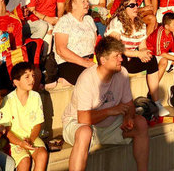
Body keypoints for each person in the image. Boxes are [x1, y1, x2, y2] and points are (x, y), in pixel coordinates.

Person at [60, 36, 149, 171]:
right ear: (103, 60)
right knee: (85, 132)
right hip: (77, 124)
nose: (121, 59)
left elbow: (129, 104)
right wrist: (110, 111)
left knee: (140, 123)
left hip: (110, 126)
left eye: (120, 55)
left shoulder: (122, 73)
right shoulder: (87, 78)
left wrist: (128, 118)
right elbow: (83, 119)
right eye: (116, 56)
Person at [0, 62, 49, 171]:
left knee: (42, 154)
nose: (32, 80)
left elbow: (37, 124)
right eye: (27, 77)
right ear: (16, 82)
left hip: (31, 137)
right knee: (25, 161)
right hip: (13, 141)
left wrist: (30, 139)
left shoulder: (35, 96)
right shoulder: (8, 100)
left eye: (33, 75)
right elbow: (6, 130)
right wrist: (20, 142)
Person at [53, 0, 98, 86]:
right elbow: (61, 50)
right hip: (69, 62)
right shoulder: (65, 21)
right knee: (91, 79)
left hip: (90, 59)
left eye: (87, 1)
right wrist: (84, 63)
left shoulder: (89, 19)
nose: (87, 4)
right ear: (73, 5)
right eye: (83, 1)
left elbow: (95, 43)